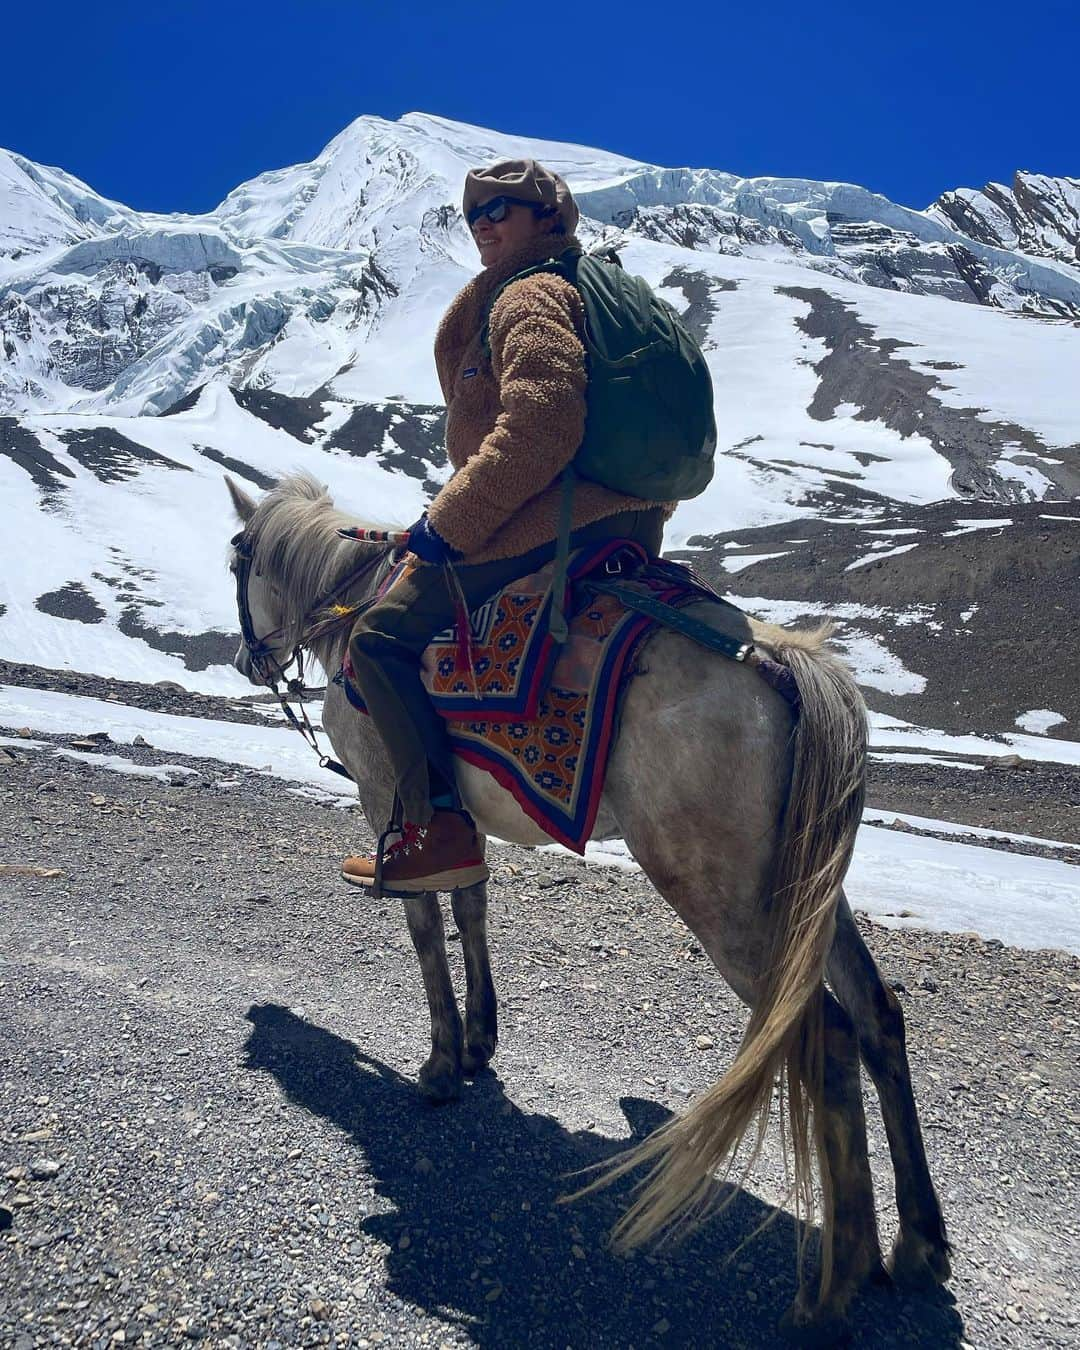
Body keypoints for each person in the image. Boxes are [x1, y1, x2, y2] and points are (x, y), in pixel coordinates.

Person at [341, 158, 671, 893]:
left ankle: (441, 833)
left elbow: (543, 426)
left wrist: (450, 522)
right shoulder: (588, 288)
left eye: (503, 208)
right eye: (475, 213)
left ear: (547, 213)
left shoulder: (529, 296)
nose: (485, 223)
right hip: (620, 518)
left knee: (377, 636)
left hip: (561, 518)